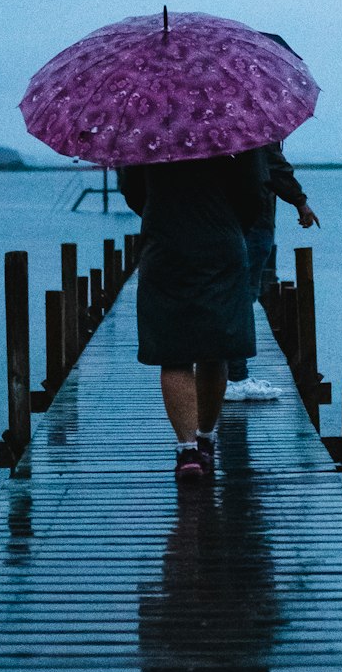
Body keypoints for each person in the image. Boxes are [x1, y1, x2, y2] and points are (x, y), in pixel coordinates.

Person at [118, 152, 267, 484]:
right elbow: (254, 191)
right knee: (216, 345)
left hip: (164, 242)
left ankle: (187, 452)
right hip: (221, 241)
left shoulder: (146, 124)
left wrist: (161, 211)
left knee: (173, 352)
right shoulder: (233, 122)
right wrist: (230, 222)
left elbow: (131, 188)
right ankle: (205, 438)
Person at [225, 141, 320, 401]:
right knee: (243, 297)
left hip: (219, 223)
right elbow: (276, 169)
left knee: (225, 295)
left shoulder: (216, 133)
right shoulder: (254, 129)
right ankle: (235, 376)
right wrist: (301, 202)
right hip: (253, 224)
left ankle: (223, 370)